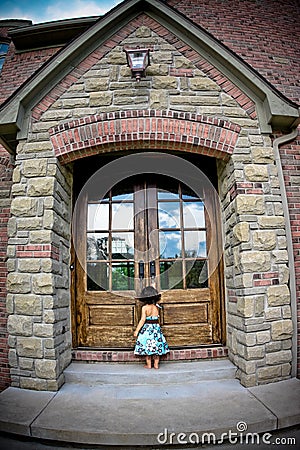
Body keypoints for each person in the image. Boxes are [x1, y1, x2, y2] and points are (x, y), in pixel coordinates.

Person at [133, 286, 169, 369]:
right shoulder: (156, 307)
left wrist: (137, 331)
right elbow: (157, 319)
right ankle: (156, 364)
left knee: (147, 346)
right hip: (156, 329)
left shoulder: (145, 308)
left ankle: (149, 365)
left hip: (148, 329)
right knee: (156, 346)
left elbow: (142, 320)